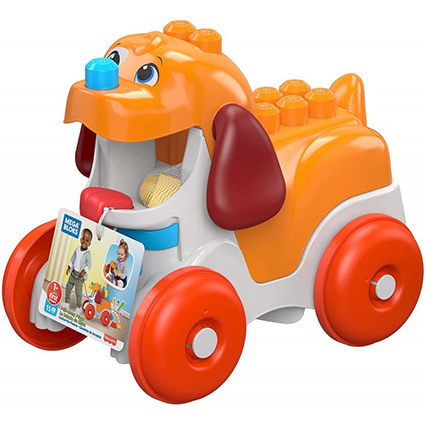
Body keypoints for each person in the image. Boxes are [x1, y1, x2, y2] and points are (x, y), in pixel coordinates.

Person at [62, 228, 92, 314]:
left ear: (90, 243)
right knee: (68, 287)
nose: (84, 242)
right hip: (73, 274)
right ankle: (66, 302)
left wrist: (83, 271)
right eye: (83, 238)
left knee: (78, 292)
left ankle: (79, 307)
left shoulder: (88, 254)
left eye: (87, 240)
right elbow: (72, 259)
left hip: (80, 277)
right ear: (80, 239)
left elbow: (89, 265)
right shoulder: (77, 249)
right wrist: (69, 266)